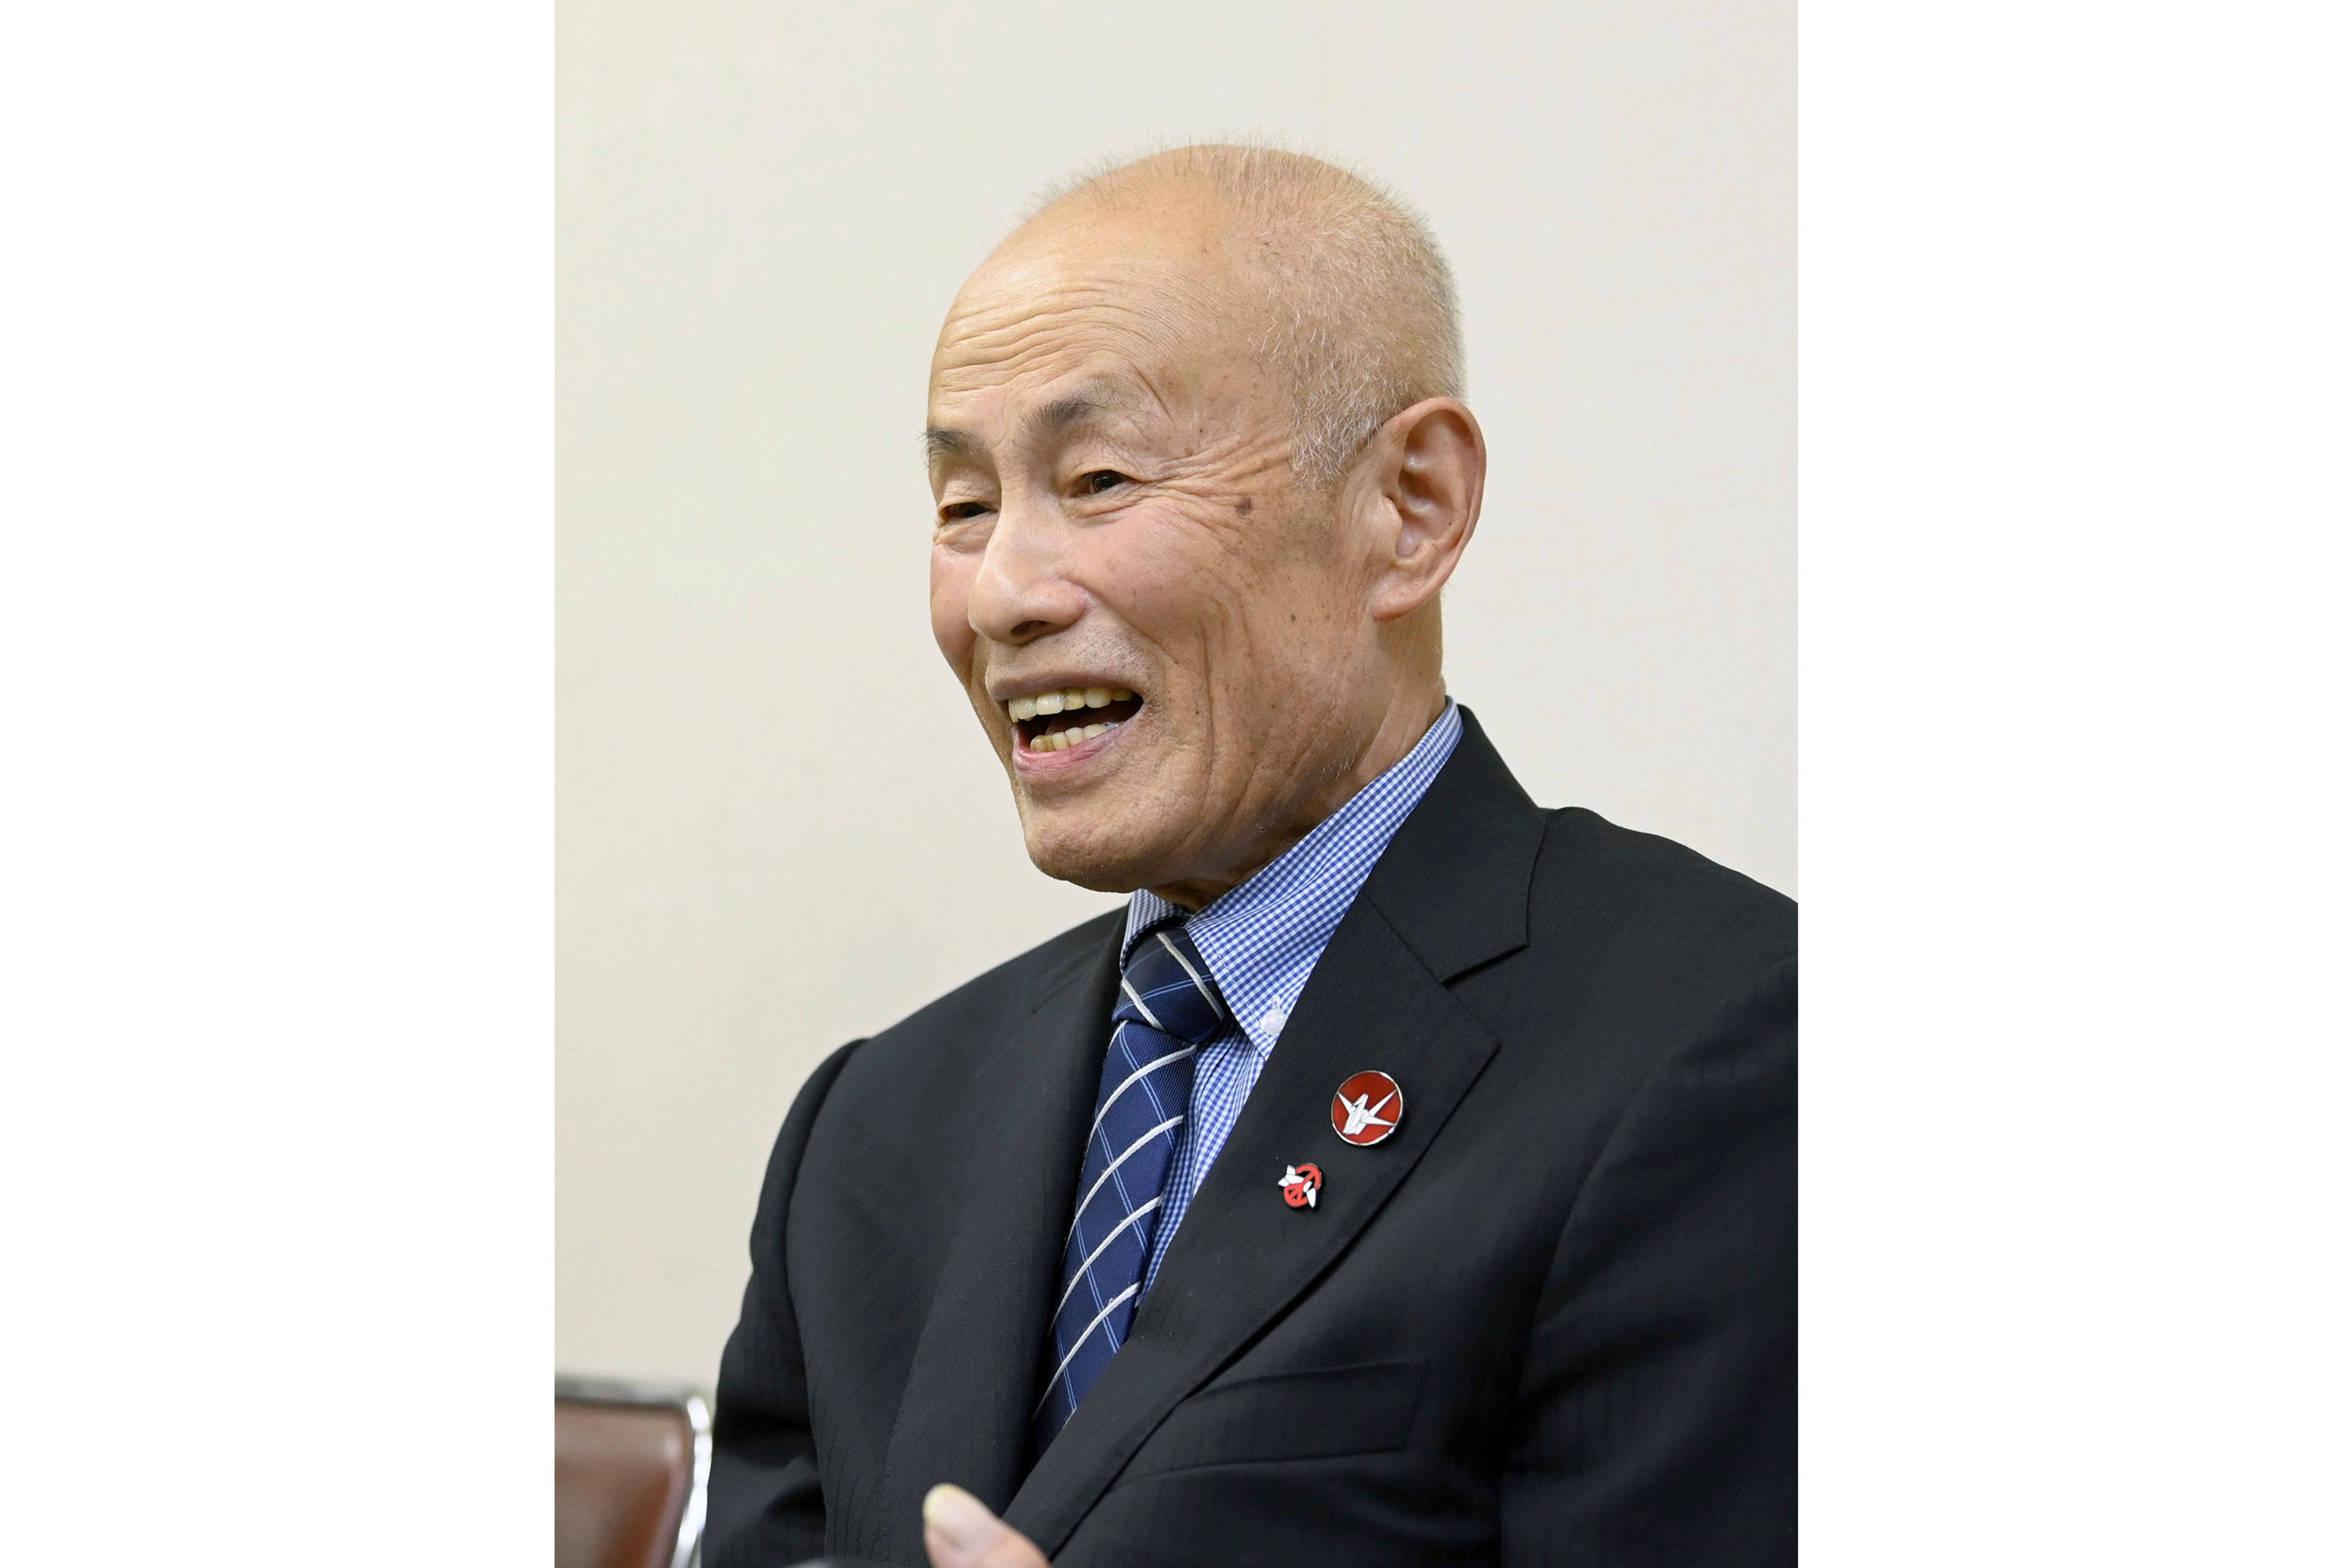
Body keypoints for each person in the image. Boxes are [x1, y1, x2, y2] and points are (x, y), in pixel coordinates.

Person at [705, 144, 1795, 1568]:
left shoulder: (1725, 1045)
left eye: (1098, 476)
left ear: (1409, 506)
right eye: (964, 504)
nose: (1005, 592)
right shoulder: (871, 1128)